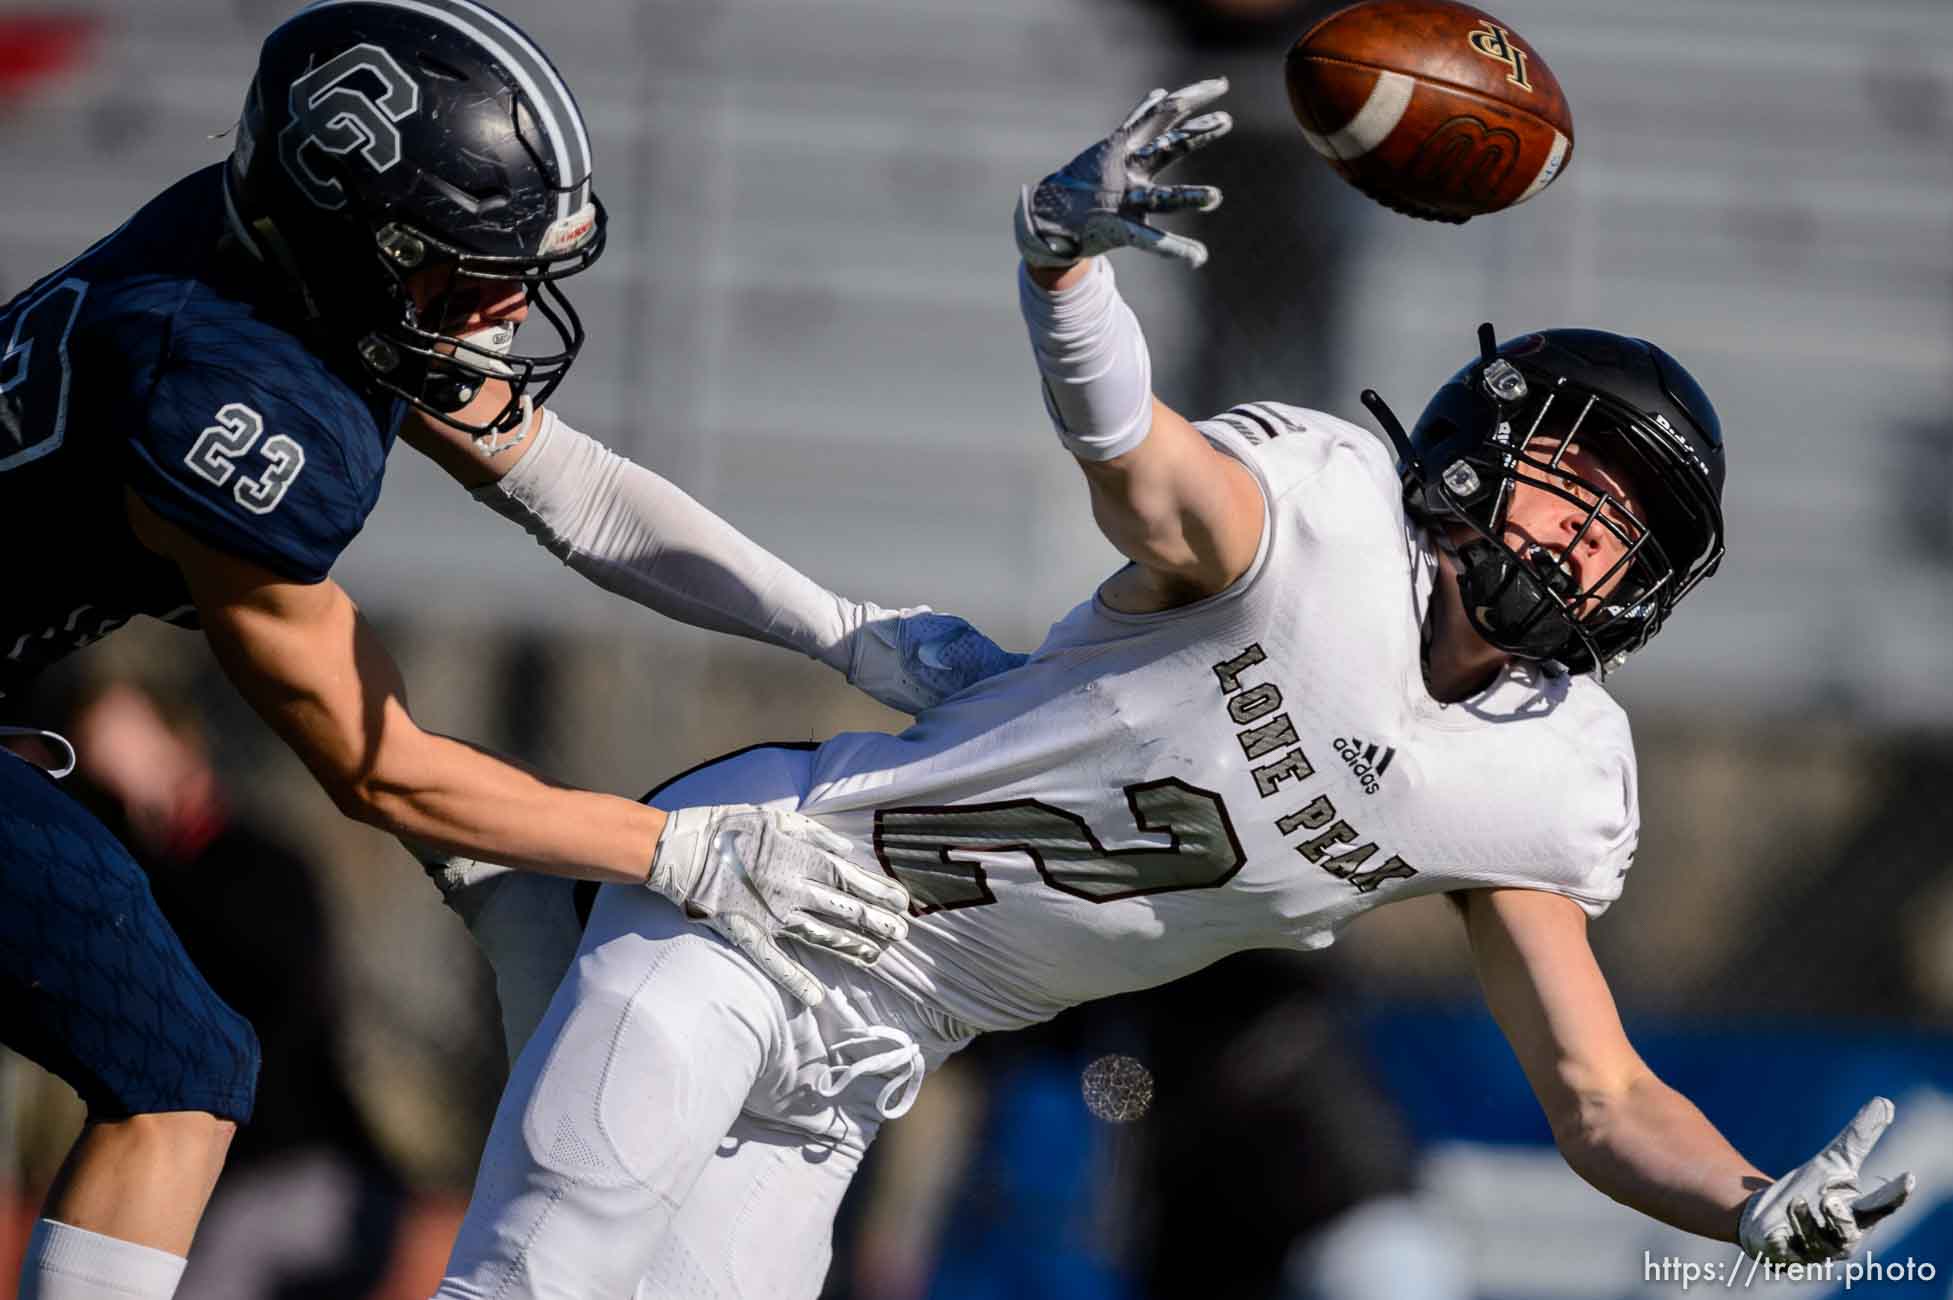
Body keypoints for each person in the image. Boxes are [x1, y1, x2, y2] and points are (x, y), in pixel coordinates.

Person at [422, 81, 1916, 1298]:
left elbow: (1597, 1096)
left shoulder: (1549, 779)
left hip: (873, 1052)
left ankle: (527, 941)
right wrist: (1064, 274)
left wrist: (1743, 1202)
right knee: (536, 1280)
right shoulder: (1318, 523)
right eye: (1578, 484)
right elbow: (1138, 464)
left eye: (1626, 534)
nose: (1590, 538)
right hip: (747, 908)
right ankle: (544, 928)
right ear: (1482, 441)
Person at [0, 2, 1004, 1295]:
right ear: (355, 241)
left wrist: (841, 628)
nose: (506, 310)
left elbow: (568, 487)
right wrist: (681, 849)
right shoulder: (222, 388)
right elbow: (378, 768)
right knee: (175, 1070)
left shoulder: (275, 256)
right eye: (471, 275)